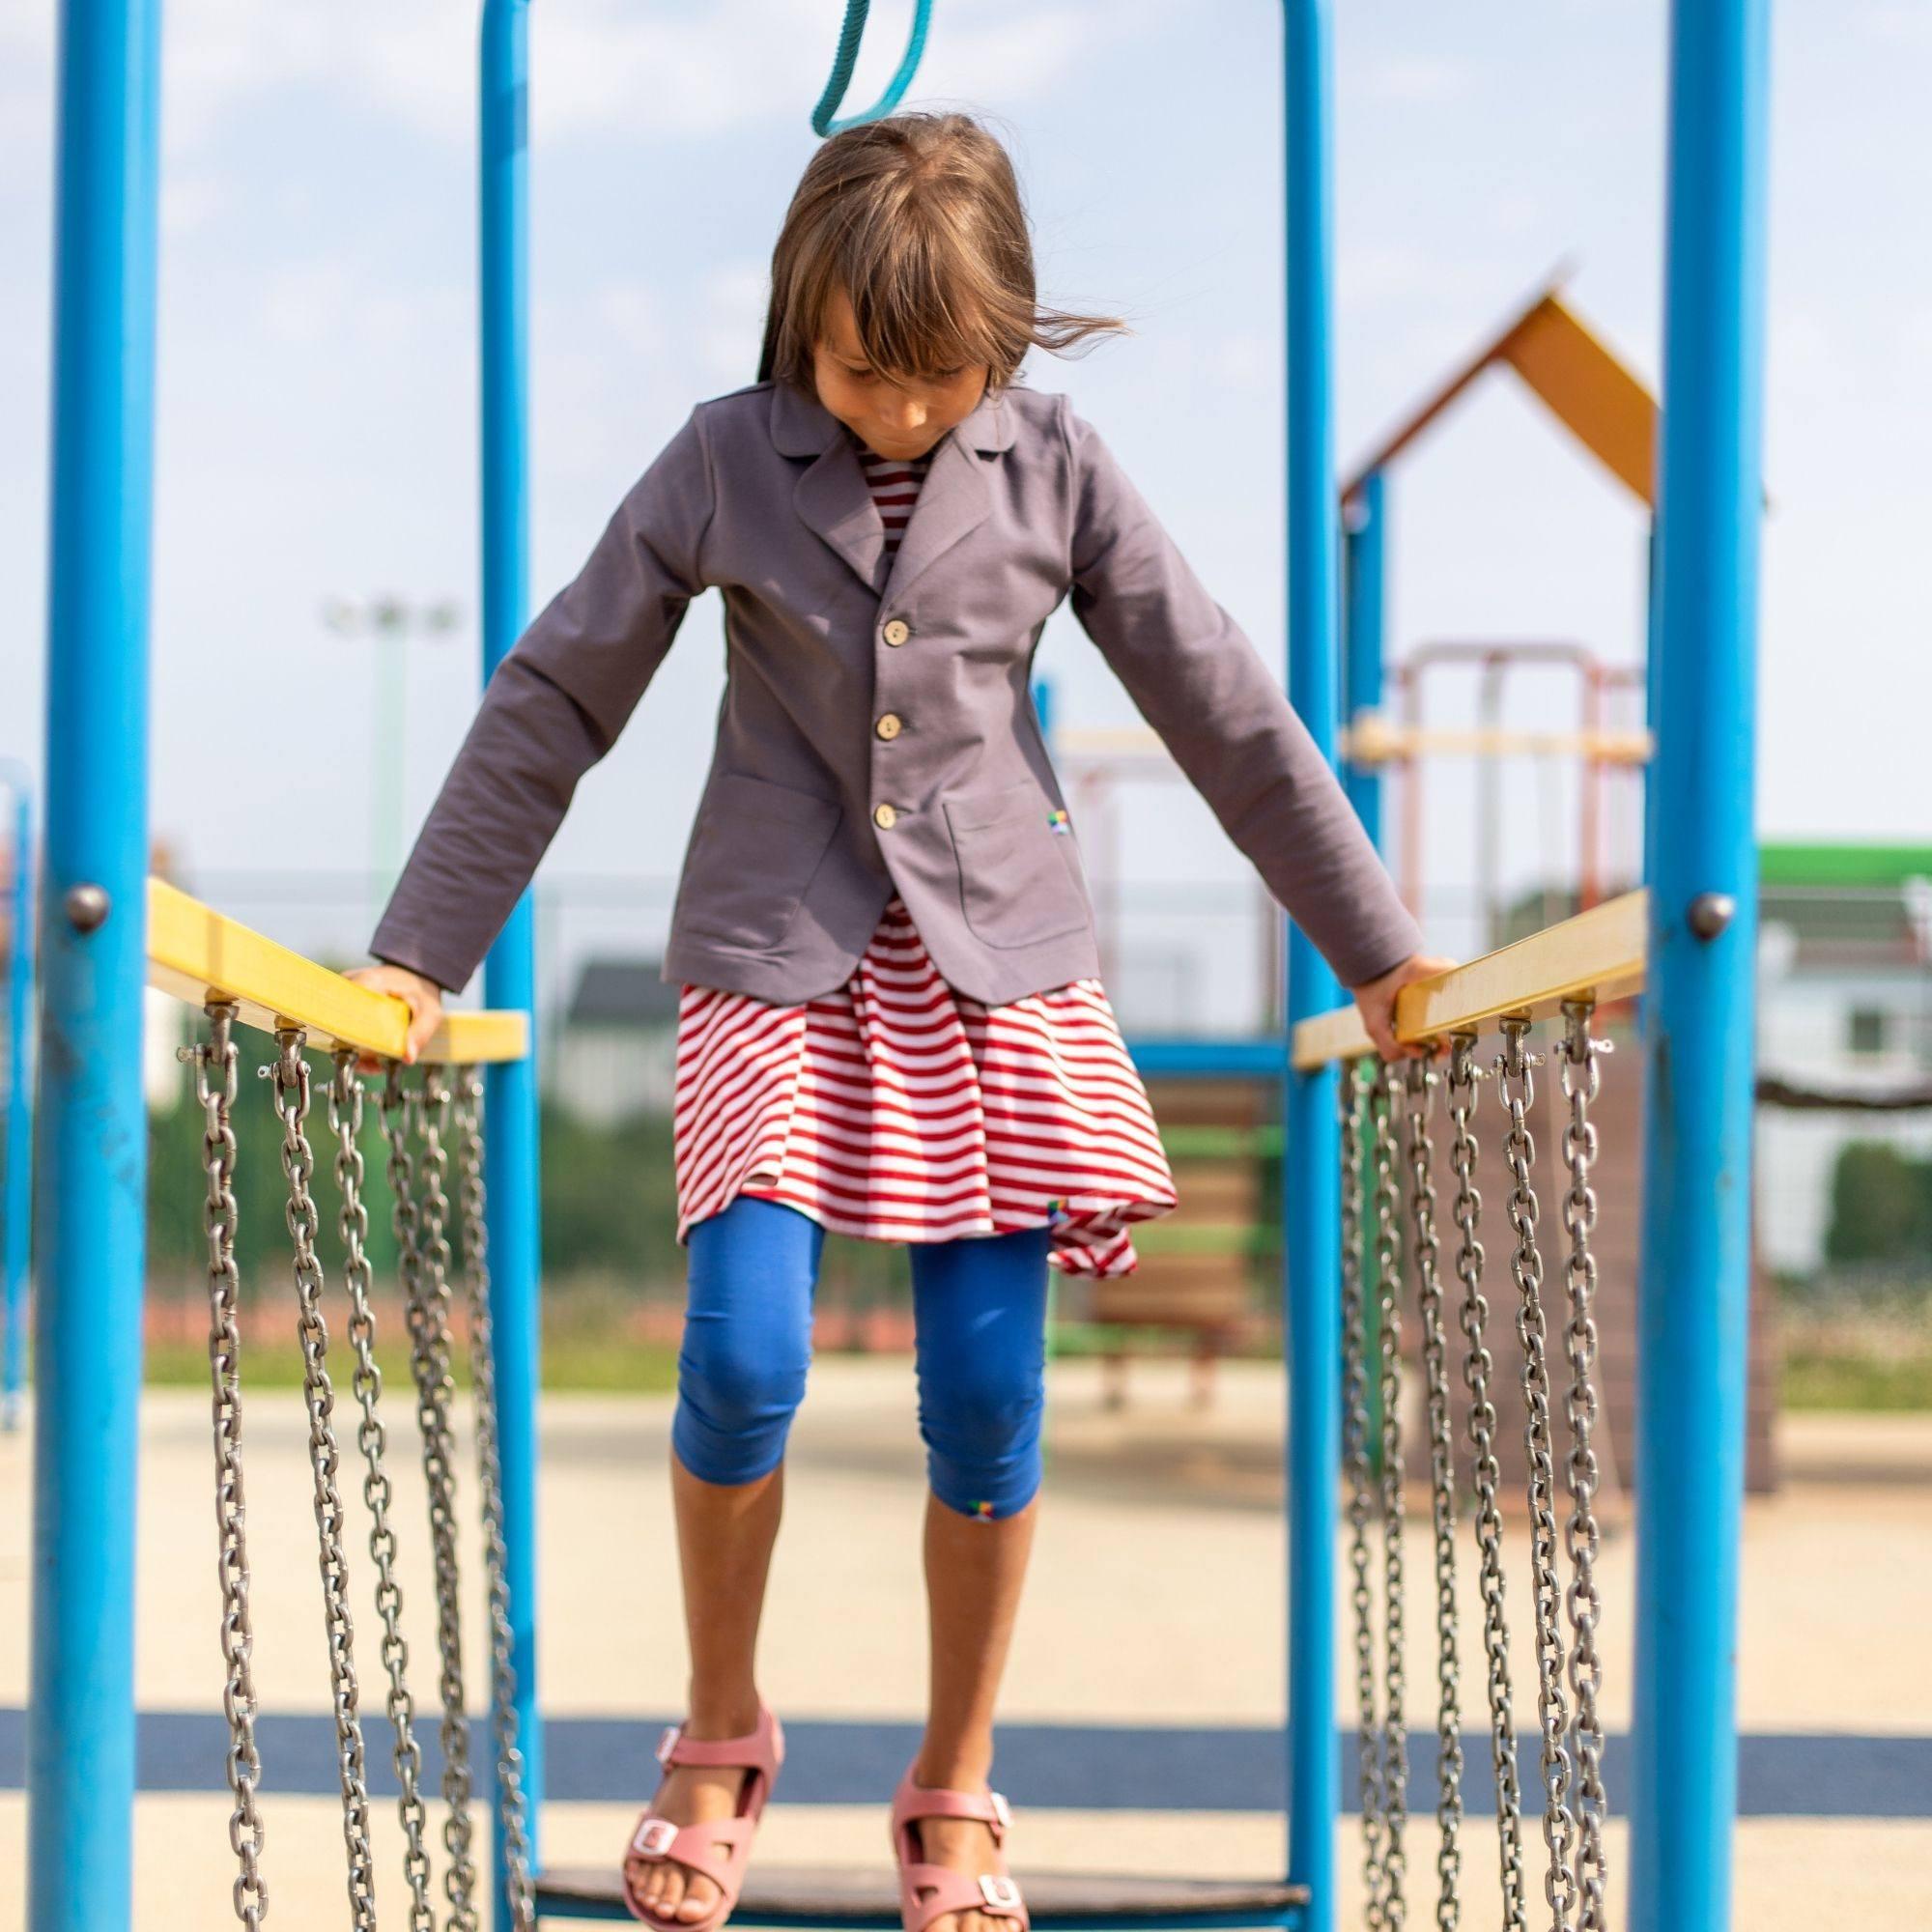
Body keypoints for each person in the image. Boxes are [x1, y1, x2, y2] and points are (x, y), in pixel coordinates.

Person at [351, 109, 1449, 1932]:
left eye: (943, 376)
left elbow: (1223, 703)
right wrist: (422, 948)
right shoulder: (723, 462)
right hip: (776, 949)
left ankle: (955, 1776)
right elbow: (558, 692)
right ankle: (721, 1729)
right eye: (867, 371)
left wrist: (1375, 943)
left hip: (993, 962)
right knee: (743, 1353)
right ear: (804, 323)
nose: (903, 412)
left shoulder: (1059, 468)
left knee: (989, 1394)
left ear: (1003, 343)